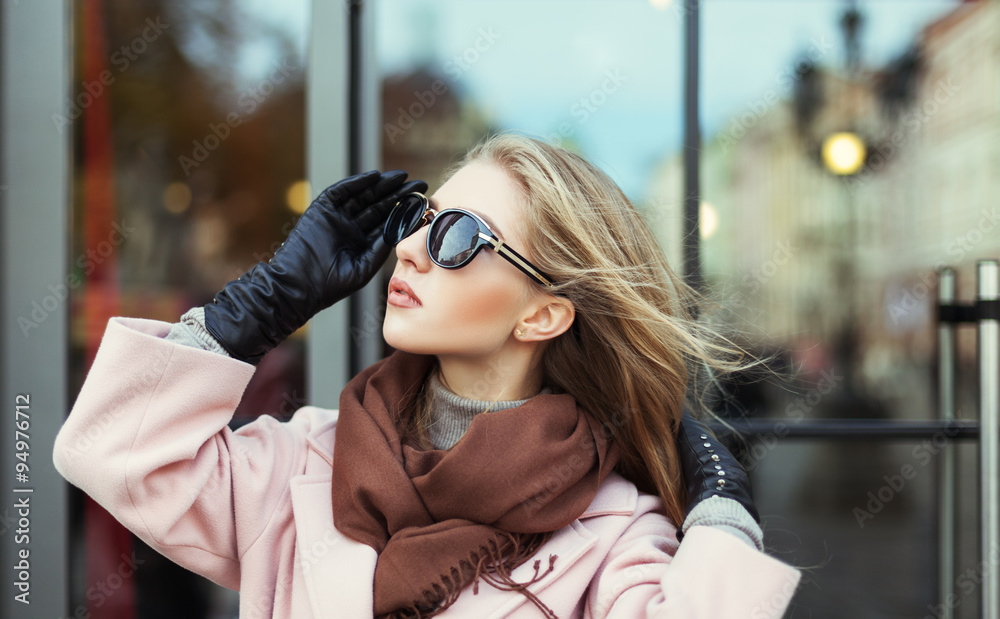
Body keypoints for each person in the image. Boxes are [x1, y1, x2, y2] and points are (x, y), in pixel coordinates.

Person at [54, 132, 801, 618]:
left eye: (458, 236)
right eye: (421, 218)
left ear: (542, 315)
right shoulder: (306, 463)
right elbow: (114, 451)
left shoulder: (611, 529)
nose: (409, 249)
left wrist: (722, 514)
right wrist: (263, 302)